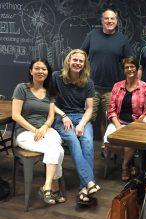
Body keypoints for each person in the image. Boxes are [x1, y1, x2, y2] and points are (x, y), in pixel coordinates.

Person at [12, 59, 65, 205]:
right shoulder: (22, 88)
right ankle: (53, 186)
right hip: (25, 133)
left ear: (48, 73)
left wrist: (44, 128)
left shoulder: (49, 92)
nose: (41, 71)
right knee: (56, 149)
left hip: (45, 130)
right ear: (31, 71)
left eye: (44, 69)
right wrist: (35, 130)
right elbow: (16, 115)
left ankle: (47, 186)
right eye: (37, 68)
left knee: (57, 148)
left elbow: (51, 115)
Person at [52, 49, 101, 205]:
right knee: (73, 140)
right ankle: (89, 182)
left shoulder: (88, 82)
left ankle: (84, 188)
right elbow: (50, 102)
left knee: (87, 142)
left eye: (81, 61)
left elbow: (90, 109)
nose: (77, 63)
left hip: (81, 118)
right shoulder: (56, 77)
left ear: (84, 64)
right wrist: (63, 116)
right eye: (75, 60)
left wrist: (81, 124)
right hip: (62, 118)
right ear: (68, 61)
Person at [81, 7, 133, 140]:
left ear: (116, 21)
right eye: (106, 18)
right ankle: (86, 144)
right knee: (88, 119)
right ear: (102, 20)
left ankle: (106, 147)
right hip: (91, 87)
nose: (109, 21)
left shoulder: (122, 39)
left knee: (108, 119)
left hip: (113, 89)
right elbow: (81, 55)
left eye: (112, 18)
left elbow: (129, 62)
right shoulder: (92, 35)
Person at [103, 56, 146, 181]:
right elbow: (111, 109)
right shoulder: (117, 86)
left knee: (129, 142)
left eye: (132, 67)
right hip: (118, 122)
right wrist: (119, 126)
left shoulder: (145, 87)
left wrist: (133, 126)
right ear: (123, 70)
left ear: (137, 69)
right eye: (127, 67)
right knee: (107, 142)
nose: (130, 69)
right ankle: (131, 162)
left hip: (137, 125)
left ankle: (125, 166)